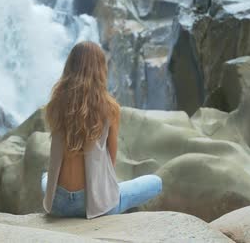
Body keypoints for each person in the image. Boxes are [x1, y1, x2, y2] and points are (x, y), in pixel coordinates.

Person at [42, 41, 162, 219]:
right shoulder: (110, 108)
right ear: (100, 69)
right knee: (156, 182)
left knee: (44, 179)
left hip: (58, 205)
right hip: (94, 206)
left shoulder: (55, 104)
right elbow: (111, 161)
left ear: (69, 66)